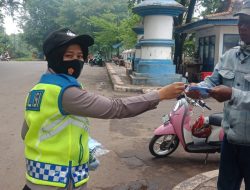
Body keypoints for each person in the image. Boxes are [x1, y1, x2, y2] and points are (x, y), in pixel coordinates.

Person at [21, 28, 185, 190]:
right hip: (60, 181)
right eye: (69, 55)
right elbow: (115, 108)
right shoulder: (65, 92)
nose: (76, 61)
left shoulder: (38, 90)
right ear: (54, 57)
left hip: (37, 177)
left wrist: (78, 146)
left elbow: (27, 133)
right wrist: (159, 94)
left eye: (80, 56)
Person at [187, 1, 250, 189]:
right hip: (230, 141)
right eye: (241, 22)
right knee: (225, 187)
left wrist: (232, 93)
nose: (243, 27)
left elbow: (231, 93)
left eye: (249, 22)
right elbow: (213, 81)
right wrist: (198, 88)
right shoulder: (229, 56)